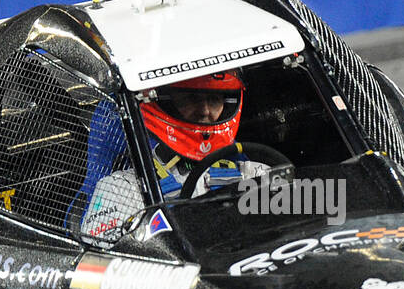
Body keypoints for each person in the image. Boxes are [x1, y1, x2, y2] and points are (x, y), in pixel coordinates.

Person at [77, 69, 266, 240]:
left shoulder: (254, 173)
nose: (206, 111)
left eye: (215, 99)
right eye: (192, 99)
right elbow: (97, 263)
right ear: (163, 102)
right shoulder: (121, 190)